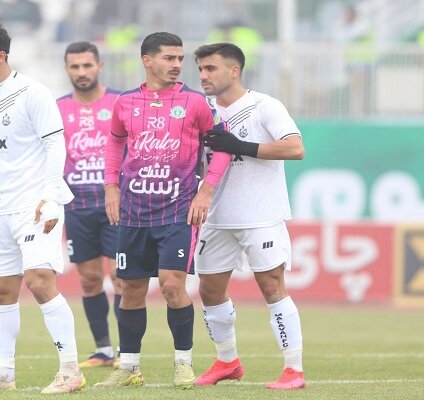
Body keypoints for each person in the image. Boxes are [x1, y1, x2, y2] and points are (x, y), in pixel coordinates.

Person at [0, 21, 85, 394]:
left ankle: (71, 370)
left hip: (34, 204)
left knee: (39, 280)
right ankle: (2, 376)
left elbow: (55, 146)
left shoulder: (33, 92)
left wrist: (51, 196)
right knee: (0, 290)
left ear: (0, 55)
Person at [94, 32, 231, 389]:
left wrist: (205, 193)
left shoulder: (196, 103)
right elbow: (114, 143)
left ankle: (183, 364)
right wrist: (111, 186)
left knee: (172, 286)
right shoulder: (125, 102)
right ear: (147, 60)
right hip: (134, 212)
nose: (177, 65)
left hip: (177, 212)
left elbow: (223, 147)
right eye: (169, 58)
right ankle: (129, 367)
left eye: (180, 59)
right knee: (129, 288)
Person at [193, 42, 306, 390]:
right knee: (209, 290)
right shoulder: (201, 109)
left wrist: (241, 147)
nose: (203, 75)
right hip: (216, 216)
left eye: (210, 68)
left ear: (234, 70)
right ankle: (227, 361)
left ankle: (293, 369)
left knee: (272, 287)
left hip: (261, 214)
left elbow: (295, 147)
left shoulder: (264, 106)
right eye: (200, 69)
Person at [57, 41, 122, 369]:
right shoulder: (57, 109)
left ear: (99, 66)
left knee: (121, 276)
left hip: (116, 203)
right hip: (78, 205)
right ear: (67, 69)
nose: (81, 72)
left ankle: (127, 349)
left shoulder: (120, 102)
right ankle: (104, 350)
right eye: (75, 66)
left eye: (87, 65)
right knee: (90, 279)